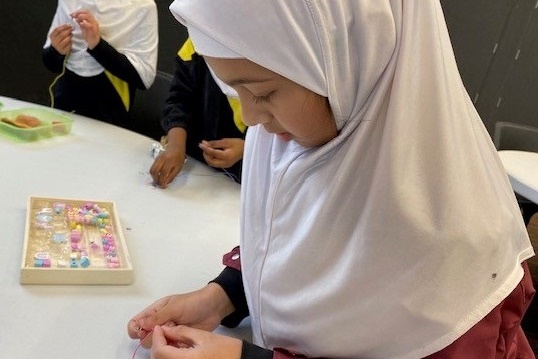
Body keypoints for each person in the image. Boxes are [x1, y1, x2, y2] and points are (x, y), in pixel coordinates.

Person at [128, 1, 537, 358]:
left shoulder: (446, 235)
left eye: (263, 93)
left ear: (349, 59)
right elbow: (296, 236)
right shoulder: (294, 138)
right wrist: (223, 295)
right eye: (235, 92)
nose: (250, 119)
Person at [42, 0, 158, 129]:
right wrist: (56, 50)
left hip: (110, 117)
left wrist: (98, 46)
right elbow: (51, 63)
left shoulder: (142, 6)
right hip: (63, 110)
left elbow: (144, 78)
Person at [150, 38, 246, 187]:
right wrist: (176, 145)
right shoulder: (197, 41)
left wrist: (246, 148)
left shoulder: (263, 56)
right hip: (193, 166)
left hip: (244, 174)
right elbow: (177, 100)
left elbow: (281, 128)